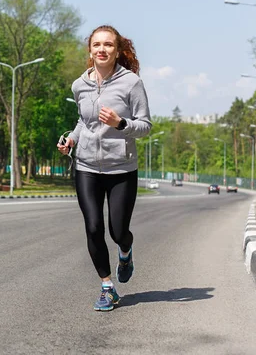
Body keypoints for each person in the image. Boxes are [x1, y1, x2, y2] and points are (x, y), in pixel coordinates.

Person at [57, 25, 151, 311]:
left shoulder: (131, 83)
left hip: (121, 168)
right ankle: (107, 287)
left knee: (118, 230)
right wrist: (71, 140)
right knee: (93, 227)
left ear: (117, 50)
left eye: (108, 44)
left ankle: (126, 252)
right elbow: (83, 122)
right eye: (97, 44)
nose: (102, 49)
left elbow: (145, 126)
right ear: (90, 50)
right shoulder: (79, 85)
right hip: (86, 166)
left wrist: (120, 123)